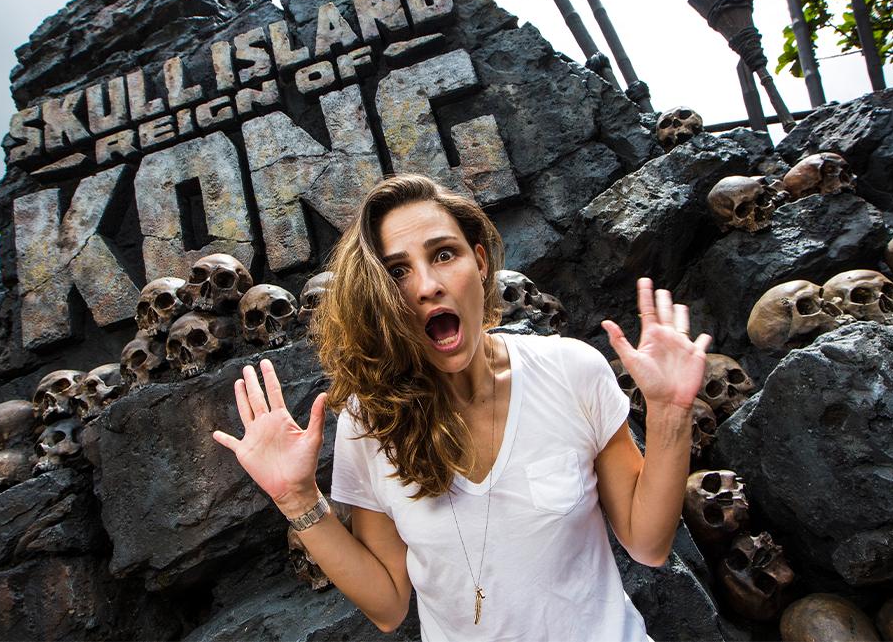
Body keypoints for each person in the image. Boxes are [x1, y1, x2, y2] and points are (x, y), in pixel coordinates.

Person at [213, 174, 711, 641]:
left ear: (481, 261)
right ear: (378, 296)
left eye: (444, 254)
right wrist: (297, 499)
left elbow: (648, 543)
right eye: (398, 271)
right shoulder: (370, 421)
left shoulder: (570, 370)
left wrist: (670, 412)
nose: (427, 285)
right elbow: (387, 605)